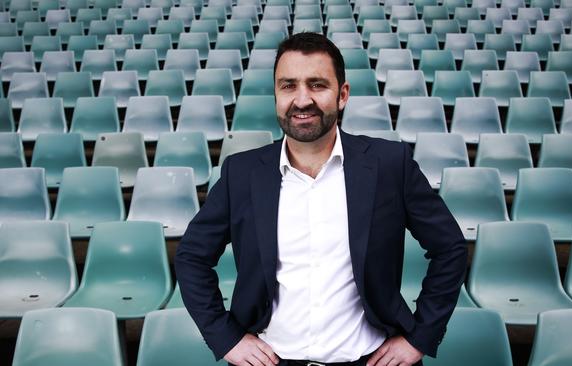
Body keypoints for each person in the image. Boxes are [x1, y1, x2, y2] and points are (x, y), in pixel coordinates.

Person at [175, 32, 467, 366]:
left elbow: (450, 248)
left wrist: (419, 338)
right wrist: (225, 338)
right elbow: (191, 257)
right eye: (288, 86)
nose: (301, 100)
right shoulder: (241, 173)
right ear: (275, 94)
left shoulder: (390, 164)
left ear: (342, 95)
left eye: (317, 85)